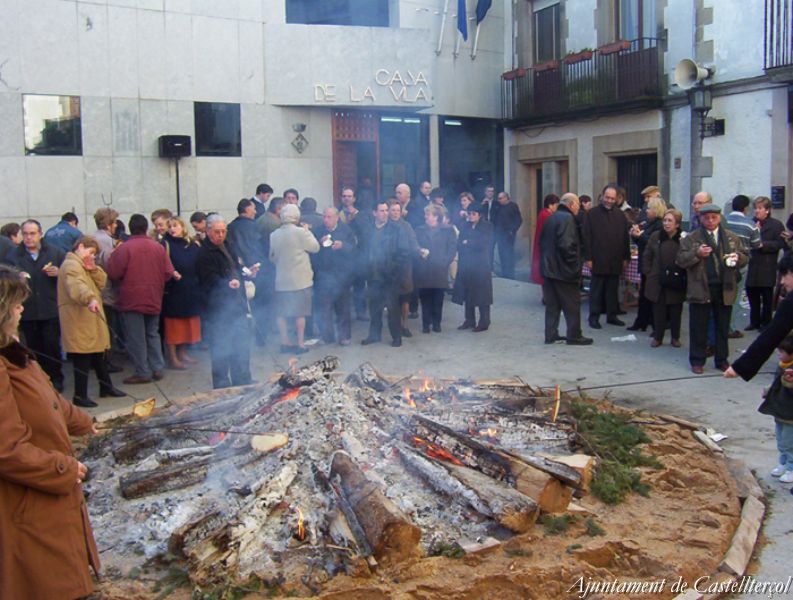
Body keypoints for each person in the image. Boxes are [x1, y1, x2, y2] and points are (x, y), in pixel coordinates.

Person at [0, 264, 101, 600]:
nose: (21, 310)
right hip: (27, 505)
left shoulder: (13, 352)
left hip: (47, 500)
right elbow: (7, 450)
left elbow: (49, 400)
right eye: (16, 304)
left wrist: (84, 422)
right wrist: (63, 468)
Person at [676, 204, 748, 374]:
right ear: (700, 218)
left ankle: (721, 359)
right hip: (701, 287)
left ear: (719, 218)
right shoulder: (692, 238)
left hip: (725, 287)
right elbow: (680, 260)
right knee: (698, 326)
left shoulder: (730, 237)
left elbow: (745, 256)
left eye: (713, 217)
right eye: (706, 217)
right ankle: (697, 360)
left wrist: (738, 258)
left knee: (722, 326)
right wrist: (697, 254)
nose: (710, 221)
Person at [106, 214, 174, 384]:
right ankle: (157, 367)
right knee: (152, 333)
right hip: (153, 297)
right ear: (145, 228)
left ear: (130, 228)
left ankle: (142, 371)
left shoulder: (124, 248)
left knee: (136, 337)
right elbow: (168, 272)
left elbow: (113, 273)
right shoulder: (158, 247)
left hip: (131, 299)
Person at [57, 236, 125, 407]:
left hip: (90, 317)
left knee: (98, 354)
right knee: (82, 356)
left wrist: (94, 269)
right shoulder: (71, 265)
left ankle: (106, 387)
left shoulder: (83, 264)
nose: (92, 256)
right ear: (80, 247)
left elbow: (102, 283)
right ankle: (80, 395)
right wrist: (89, 298)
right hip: (79, 318)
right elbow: (77, 286)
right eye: (91, 252)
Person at [6, 219, 66, 391]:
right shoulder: (13, 255)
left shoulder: (54, 253)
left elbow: (69, 274)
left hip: (49, 308)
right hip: (28, 310)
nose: (29, 238)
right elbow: (6, 281)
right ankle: (38, 380)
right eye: (25, 234)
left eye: (32, 234)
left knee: (52, 345)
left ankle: (56, 378)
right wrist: (17, 278)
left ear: (40, 234)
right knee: (33, 348)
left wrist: (59, 273)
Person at [197, 214, 254, 388]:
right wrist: (226, 283)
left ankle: (242, 379)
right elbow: (207, 279)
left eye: (223, 231)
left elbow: (236, 267)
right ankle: (222, 384)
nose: (220, 235)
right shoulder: (204, 254)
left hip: (238, 306)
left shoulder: (229, 245)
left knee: (241, 344)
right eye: (216, 232)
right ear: (208, 232)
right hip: (218, 310)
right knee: (222, 347)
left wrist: (246, 272)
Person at [539, 193, 592, 346]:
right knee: (572, 304)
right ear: (571, 204)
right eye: (577, 205)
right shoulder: (567, 219)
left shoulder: (552, 217)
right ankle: (574, 335)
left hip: (549, 269)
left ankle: (551, 334)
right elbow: (567, 246)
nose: (578, 208)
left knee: (553, 305)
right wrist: (574, 266)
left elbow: (543, 242)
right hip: (563, 270)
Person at [269, 204, 320, 353]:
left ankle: (284, 341)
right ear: (297, 217)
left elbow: (272, 257)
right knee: (300, 312)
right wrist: (307, 231)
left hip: (281, 279)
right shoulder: (301, 233)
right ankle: (300, 343)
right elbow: (315, 247)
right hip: (300, 280)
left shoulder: (274, 235)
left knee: (282, 312)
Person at [361, 201, 410, 347]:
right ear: (374, 213)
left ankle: (396, 336)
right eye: (381, 210)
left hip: (390, 276)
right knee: (374, 307)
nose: (385, 213)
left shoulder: (396, 229)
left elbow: (404, 252)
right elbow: (363, 250)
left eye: (386, 210)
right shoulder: (368, 230)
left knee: (393, 308)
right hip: (373, 276)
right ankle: (374, 335)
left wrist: (393, 270)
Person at [583, 184, 631, 329]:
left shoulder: (620, 215)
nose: (609, 200)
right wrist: (588, 258)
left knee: (612, 290)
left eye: (612, 198)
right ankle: (594, 317)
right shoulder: (591, 214)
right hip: (598, 259)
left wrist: (625, 257)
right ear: (602, 196)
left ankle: (612, 315)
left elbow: (624, 238)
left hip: (615, 259)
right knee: (596, 291)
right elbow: (586, 237)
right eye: (607, 197)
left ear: (617, 199)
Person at [161, 217, 202, 369]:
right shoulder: (165, 244)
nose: (172, 229)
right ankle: (172, 357)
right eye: (170, 226)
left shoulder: (191, 244)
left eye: (175, 226)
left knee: (188, 323)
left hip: (190, 288)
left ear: (183, 227)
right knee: (174, 326)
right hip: (174, 290)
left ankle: (183, 352)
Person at [312, 207, 356, 345]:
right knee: (324, 308)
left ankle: (344, 336)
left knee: (343, 308)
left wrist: (343, 245)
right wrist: (319, 244)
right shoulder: (318, 231)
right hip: (323, 275)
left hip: (342, 275)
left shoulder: (346, 230)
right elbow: (312, 252)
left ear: (337, 218)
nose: (326, 220)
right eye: (324, 217)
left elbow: (354, 249)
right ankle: (328, 336)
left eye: (329, 217)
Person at [643, 209, 686, 348]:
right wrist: (648, 272)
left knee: (675, 310)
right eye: (665, 220)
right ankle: (658, 337)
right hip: (658, 278)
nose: (666, 224)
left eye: (670, 221)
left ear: (677, 224)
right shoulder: (656, 236)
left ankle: (675, 337)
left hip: (676, 278)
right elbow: (647, 254)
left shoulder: (683, 238)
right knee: (658, 310)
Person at [414, 204, 457, 333]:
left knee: (438, 298)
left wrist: (445, 262)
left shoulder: (448, 230)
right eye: (426, 214)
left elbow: (452, 248)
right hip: (424, 269)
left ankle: (437, 323)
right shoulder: (419, 230)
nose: (426, 217)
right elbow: (414, 244)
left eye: (428, 214)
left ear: (436, 217)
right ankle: (426, 324)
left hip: (439, 269)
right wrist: (419, 251)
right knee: (425, 298)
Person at [745, 196, 785, 331]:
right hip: (752, 264)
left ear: (767, 210)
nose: (757, 211)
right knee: (752, 295)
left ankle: (766, 323)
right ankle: (754, 321)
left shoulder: (776, 225)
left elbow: (780, 243)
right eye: (755, 208)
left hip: (766, 264)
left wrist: (763, 245)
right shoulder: (750, 223)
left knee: (767, 297)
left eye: (760, 208)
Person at [725, 194, 762, 337]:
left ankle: (722, 325)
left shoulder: (724, 221)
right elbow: (757, 245)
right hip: (741, 263)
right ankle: (731, 327)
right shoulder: (750, 224)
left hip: (724, 262)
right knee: (736, 296)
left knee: (724, 295)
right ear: (746, 208)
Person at [627, 196, 667, 332]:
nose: (646, 211)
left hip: (653, 265)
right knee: (644, 293)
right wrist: (635, 235)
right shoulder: (648, 223)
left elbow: (653, 243)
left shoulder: (660, 225)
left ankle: (653, 324)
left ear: (656, 210)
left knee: (650, 294)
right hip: (645, 263)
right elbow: (642, 242)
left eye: (649, 208)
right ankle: (641, 322)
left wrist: (640, 236)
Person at [453, 204, 494, 332]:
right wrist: (466, 243)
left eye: (473, 214)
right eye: (469, 213)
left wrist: (468, 242)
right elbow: (459, 243)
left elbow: (483, 243)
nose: (470, 216)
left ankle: (484, 321)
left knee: (482, 294)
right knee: (468, 292)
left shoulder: (487, 226)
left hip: (480, 265)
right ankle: (469, 320)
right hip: (466, 264)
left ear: (479, 215)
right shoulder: (465, 226)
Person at [388, 200, 421, 336]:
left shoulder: (406, 226)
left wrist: (419, 250)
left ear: (401, 212)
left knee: (405, 296)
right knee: (392, 297)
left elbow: (413, 242)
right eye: (393, 210)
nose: (395, 213)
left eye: (397, 210)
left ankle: (405, 325)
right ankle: (394, 324)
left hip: (405, 266)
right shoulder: (386, 226)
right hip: (390, 266)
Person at [339, 187, 371, 320]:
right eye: (344, 196)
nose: (347, 198)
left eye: (349, 196)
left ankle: (360, 312)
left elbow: (365, 234)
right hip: (342, 257)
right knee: (342, 287)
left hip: (358, 256)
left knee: (359, 286)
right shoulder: (337, 214)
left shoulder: (361, 215)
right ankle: (342, 314)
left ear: (354, 199)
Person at [493, 191, 523, 279]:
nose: (499, 200)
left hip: (509, 234)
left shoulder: (513, 206)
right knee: (502, 253)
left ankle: (510, 273)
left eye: (500, 198)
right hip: (499, 234)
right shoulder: (498, 207)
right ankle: (504, 273)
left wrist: (512, 230)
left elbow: (519, 219)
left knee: (509, 254)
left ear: (506, 198)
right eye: (498, 198)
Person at [531, 194, 559, 287]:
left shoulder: (543, 213)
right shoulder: (546, 215)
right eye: (556, 205)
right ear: (550, 205)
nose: (556, 207)